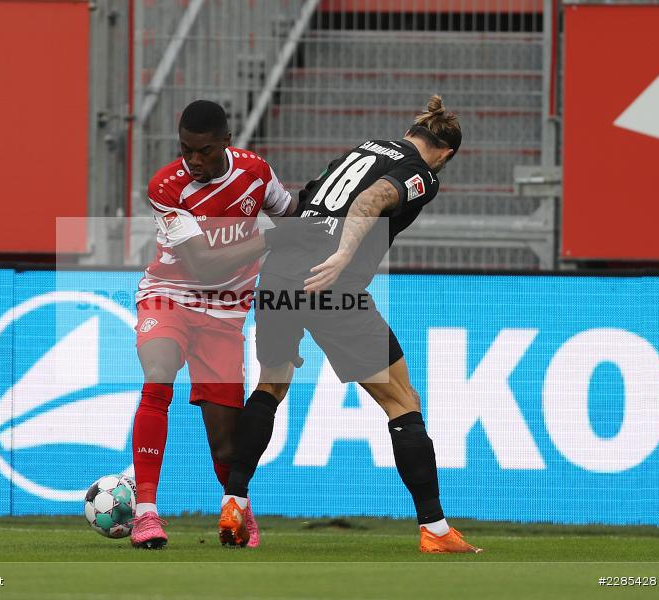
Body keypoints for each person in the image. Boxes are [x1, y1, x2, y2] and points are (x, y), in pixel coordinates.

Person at [217, 95, 483, 553]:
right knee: (403, 401)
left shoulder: (365, 147)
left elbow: (306, 201)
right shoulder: (423, 173)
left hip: (280, 270)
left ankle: (234, 500)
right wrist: (342, 253)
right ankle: (436, 530)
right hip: (331, 283)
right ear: (446, 153)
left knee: (271, 385)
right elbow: (372, 198)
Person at [130, 99, 303, 549]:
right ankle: (146, 514)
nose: (194, 161)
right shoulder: (167, 187)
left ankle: (237, 511)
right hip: (170, 296)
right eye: (186, 149)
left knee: (227, 447)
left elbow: (292, 214)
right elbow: (202, 267)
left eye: (204, 151)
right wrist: (269, 238)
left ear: (226, 142)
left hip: (226, 313)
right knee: (157, 378)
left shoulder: (256, 172)